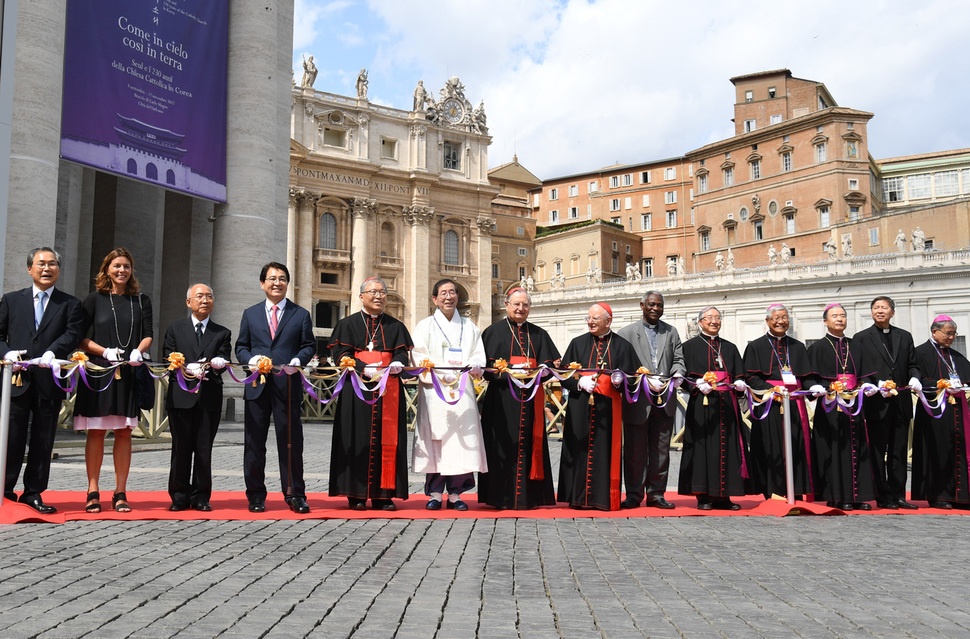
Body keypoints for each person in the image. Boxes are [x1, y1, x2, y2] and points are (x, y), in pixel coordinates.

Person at [0, 247, 84, 513]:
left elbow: (72, 334)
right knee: (10, 436)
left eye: (52, 264)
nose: (46, 268)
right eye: (41, 264)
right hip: (16, 381)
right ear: (29, 269)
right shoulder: (11, 300)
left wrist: (53, 351)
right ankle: (4, 489)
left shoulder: (70, 304)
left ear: (59, 269)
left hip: (49, 381)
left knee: (43, 438)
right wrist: (7, 353)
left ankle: (33, 492)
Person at [74, 248, 153, 513]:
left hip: (128, 372)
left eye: (127, 266)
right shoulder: (93, 300)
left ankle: (120, 491)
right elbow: (80, 337)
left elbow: (149, 333)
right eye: (117, 266)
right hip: (99, 372)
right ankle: (92, 490)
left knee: (123, 432)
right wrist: (103, 351)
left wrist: (138, 351)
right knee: (95, 432)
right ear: (107, 268)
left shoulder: (141, 301)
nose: (122, 270)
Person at [236, 262, 315, 514]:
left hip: (287, 384)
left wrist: (297, 361)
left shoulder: (300, 314)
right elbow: (241, 346)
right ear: (262, 283)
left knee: (291, 442)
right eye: (271, 279)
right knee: (254, 442)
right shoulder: (250, 313)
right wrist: (251, 361)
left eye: (282, 278)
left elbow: (309, 345)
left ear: (287, 283)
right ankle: (256, 496)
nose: (277, 283)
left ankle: (295, 494)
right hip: (257, 385)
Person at [328, 277, 412, 510]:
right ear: (361, 296)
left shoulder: (396, 326)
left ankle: (383, 495)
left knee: (388, 439)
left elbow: (403, 354)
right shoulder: (347, 324)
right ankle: (355, 494)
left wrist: (396, 362)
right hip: (356, 391)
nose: (378, 296)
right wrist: (363, 366)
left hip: (389, 390)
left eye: (382, 292)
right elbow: (340, 355)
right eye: (372, 292)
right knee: (355, 437)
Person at [478, 288, 560, 509]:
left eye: (525, 305)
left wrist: (543, 370)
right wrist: (511, 371)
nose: (520, 309)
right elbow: (485, 368)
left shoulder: (539, 333)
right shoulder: (493, 332)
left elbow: (551, 365)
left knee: (529, 445)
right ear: (506, 305)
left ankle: (530, 497)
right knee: (500, 446)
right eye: (516, 304)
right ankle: (500, 497)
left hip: (531, 401)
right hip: (501, 402)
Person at [411, 279, 486, 511]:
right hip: (435, 390)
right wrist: (439, 373)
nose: (448, 297)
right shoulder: (424, 326)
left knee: (462, 441)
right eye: (443, 293)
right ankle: (435, 492)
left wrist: (474, 365)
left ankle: (456, 494)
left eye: (452, 292)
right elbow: (418, 354)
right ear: (434, 299)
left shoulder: (470, 326)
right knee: (437, 440)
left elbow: (478, 354)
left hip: (462, 390)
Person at [557, 303, 638, 510]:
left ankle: (603, 499)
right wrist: (578, 383)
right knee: (579, 449)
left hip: (608, 409)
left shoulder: (623, 346)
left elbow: (634, 379)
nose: (590, 322)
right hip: (579, 406)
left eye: (595, 318)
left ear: (608, 321)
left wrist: (620, 382)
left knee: (605, 453)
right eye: (589, 318)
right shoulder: (577, 343)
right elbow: (563, 377)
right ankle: (578, 498)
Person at [161, 284, 232, 512]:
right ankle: (179, 495)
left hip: (208, 398)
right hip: (181, 397)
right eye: (199, 296)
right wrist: (184, 368)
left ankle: (201, 496)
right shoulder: (175, 329)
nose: (205, 300)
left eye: (209, 296)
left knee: (203, 449)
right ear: (188, 302)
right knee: (180, 448)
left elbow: (223, 358)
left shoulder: (222, 332)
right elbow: (167, 358)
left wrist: (219, 363)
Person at [616, 290, 685, 509]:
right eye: (652, 305)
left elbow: (678, 360)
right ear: (642, 305)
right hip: (638, 401)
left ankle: (656, 494)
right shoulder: (626, 333)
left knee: (661, 451)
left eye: (660, 305)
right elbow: (620, 366)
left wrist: (677, 374)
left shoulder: (671, 332)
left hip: (664, 399)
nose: (656, 309)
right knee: (635, 451)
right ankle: (634, 494)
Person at [678, 307, 751, 510]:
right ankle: (703, 496)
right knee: (703, 449)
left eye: (717, 318)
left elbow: (739, 374)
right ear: (700, 322)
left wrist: (740, 383)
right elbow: (681, 377)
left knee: (728, 448)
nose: (714, 321)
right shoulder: (689, 347)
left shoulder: (729, 347)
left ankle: (724, 496)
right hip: (702, 406)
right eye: (709, 318)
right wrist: (696, 384)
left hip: (727, 406)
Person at [807, 303, 878, 510]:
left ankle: (859, 496)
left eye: (843, 316)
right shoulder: (817, 348)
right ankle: (837, 496)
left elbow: (866, 373)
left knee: (858, 448)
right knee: (833, 450)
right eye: (835, 316)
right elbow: (809, 378)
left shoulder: (856, 345)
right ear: (825, 321)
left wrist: (867, 385)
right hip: (830, 406)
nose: (840, 319)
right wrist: (819, 387)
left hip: (854, 405)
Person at [853, 296, 921, 509]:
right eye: (875, 308)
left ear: (892, 312)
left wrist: (914, 377)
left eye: (884, 308)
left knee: (899, 451)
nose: (879, 311)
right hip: (877, 403)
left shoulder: (905, 336)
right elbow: (859, 369)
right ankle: (882, 495)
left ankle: (898, 494)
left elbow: (913, 363)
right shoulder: (861, 338)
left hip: (900, 402)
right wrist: (872, 383)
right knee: (877, 450)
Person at [743, 304, 814, 501]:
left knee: (797, 446)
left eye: (784, 317)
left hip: (794, 403)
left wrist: (813, 388)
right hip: (769, 404)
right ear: (767, 321)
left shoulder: (798, 347)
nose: (781, 321)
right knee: (771, 446)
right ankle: (772, 490)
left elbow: (806, 376)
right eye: (776, 317)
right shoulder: (756, 346)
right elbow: (750, 376)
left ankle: (797, 489)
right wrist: (770, 388)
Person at [912, 316, 970, 509]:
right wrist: (939, 384)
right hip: (933, 412)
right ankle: (939, 495)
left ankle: (960, 497)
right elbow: (915, 380)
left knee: (958, 450)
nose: (952, 337)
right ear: (934, 331)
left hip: (957, 411)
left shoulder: (956, 356)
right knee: (938, 450)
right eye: (948, 333)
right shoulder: (919, 353)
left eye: (954, 334)